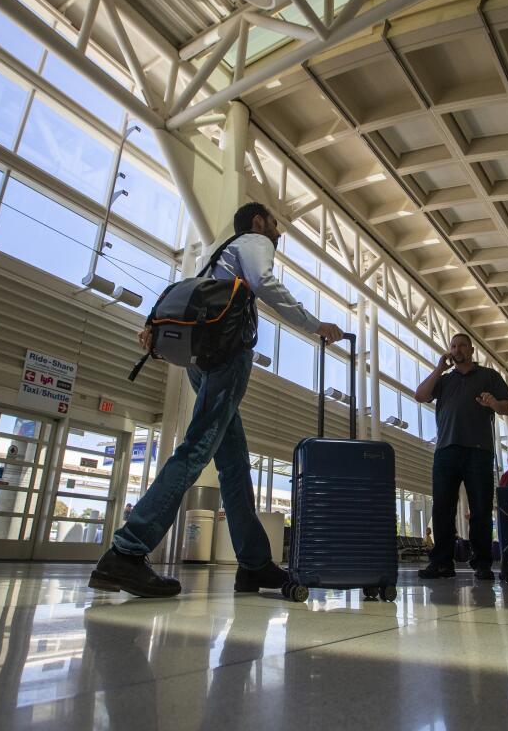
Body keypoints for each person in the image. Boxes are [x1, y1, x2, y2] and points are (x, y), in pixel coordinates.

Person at [90, 202, 345, 598]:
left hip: (198, 358)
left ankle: (254, 562)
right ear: (259, 222)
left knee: (233, 463)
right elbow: (264, 283)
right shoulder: (254, 241)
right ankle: (127, 550)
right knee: (196, 449)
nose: (280, 232)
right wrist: (316, 326)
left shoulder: (218, 256)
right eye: (275, 224)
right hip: (227, 355)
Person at [413, 332, 508, 580]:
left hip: (478, 450)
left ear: (471, 350)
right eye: (453, 346)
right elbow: (420, 395)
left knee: (480, 508)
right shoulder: (445, 380)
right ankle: (442, 562)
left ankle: (482, 563)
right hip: (446, 449)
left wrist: (493, 404)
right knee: (442, 508)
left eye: (462, 346)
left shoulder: (488, 376)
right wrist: (438, 368)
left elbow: (507, 408)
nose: (457, 349)